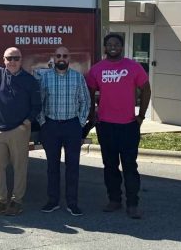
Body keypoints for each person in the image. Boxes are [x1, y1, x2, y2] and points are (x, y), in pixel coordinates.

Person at [86, 33, 151, 219]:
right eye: (109, 44)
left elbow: (146, 89)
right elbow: (89, 92)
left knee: (130, 166)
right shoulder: (97, 69)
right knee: (110, 166)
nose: (113, 47)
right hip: (106, 125)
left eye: (116, 44)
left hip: (129, 126)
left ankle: (132, 204)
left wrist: (141, 116)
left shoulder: (133, 67)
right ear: (105, 48)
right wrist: (92, 115)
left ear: (122, 47)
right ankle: (114, 200)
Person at [0, 47, 41, 216]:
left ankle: (16, 202)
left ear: (21, 60)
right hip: (0, 130)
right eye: (9, 58)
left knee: (20, 168)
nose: (12, 61)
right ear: (4, 60)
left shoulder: (29, 80)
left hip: (20, 130)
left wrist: (25, 123)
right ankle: (1, 201)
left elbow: (37, 106)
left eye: (16, 58)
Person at [37, 46, 90, 216]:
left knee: (72, 166)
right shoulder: (45, 78)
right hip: (51, 126)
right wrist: (43, 122)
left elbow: (86, 101)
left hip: (72, 126)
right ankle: (53, 201)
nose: (61, 58)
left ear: (69, 58)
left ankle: (72, 203)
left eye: (65, 56)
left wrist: (80, 123)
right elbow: (39, 103)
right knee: (52, 166)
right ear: (54, 58)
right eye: (58, 55)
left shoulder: (77, 77)